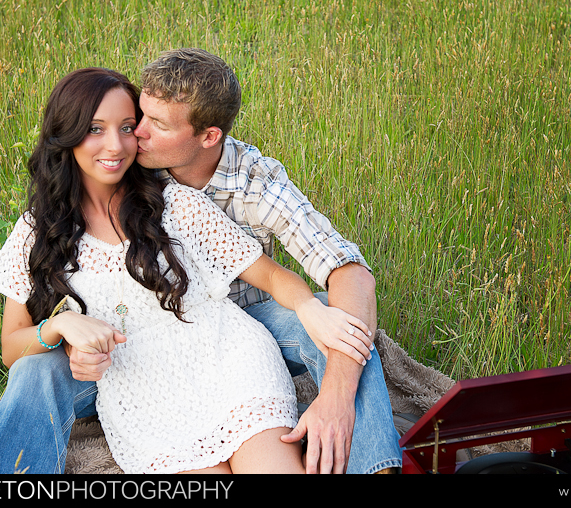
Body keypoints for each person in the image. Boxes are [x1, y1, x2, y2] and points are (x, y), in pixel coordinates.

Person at [0, 67, 373, 474]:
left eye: (127, 127)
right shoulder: (35, 231)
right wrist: (62, 327)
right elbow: (12, 348)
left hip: (233, 369)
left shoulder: (174, 203)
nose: (115, 145)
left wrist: (308, 305)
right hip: (145, 406)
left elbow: (269, 275)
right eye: (95, 129)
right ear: (67, 135)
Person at [128, 48, 402, 474]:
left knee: (345, 331)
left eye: (158, 124)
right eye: (141, 115)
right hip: (162, 334)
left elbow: (351, 273)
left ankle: (375, 468)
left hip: (250, 323)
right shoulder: (128, 163)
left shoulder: (253, 180)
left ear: (209, 136)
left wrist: (335, 396)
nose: (137, 132)